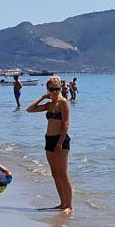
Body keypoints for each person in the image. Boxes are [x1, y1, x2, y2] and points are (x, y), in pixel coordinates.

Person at [26, 76, 73, 214]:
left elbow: (66, 124)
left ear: (60, 88)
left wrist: (59, 143)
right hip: (49, 139)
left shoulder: (63, 103)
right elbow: (30, 109)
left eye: (57, 89)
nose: (54, 92)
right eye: (51, 89)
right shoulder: (49, 104)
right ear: (48, 89)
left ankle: (69, 205)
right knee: (54, 173)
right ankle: (62, 202)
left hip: (60, 140)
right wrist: (42, 97)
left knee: (63, 173)